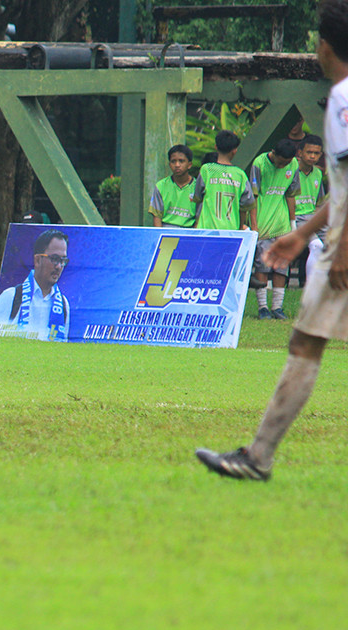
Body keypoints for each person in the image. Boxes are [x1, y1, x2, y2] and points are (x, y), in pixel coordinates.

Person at [196, 0, 348, 481]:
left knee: (306, 343)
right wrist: (303, 233)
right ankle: (257, 456)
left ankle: (258, 457)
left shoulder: (344, 99)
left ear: (324, 46)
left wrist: (342, 248)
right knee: (307, 339)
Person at [249, 139, 301, 319]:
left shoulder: (293, 164)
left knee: (281, 266)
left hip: (282, 224)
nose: (282, 166)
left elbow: (291, 194)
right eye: (280, 162)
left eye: (286, 163)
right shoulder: (259, 164)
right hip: (263, 223)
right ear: (273, 153)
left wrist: (293, 224)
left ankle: (277, 307)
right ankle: (262, 307)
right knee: (262, 266)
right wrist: (254, 226)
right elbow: (253, 197)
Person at [0, 229, 70, 341]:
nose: (59, 266)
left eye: (63, 260)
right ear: (37, 260)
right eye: (54, 259)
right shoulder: (10, 297)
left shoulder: (63, 304)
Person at [192, 130, 256, 231]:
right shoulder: (240, 175)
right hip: (230, 230)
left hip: (207, 229)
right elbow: (245, 204)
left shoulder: (207, 169)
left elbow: (197, 197)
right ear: (234, 150)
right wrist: (240, 227)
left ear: (216, 147)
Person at [294, 134, 328, 279]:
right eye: (309, 152)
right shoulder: (290, 170)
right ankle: (310, 287)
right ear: (300, 152)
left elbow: (319, 202)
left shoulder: (318, 173)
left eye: (316, 153)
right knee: (316, 245)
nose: (313, 156)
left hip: (313, 217)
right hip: (296, 218)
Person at [149, 145, 197, 228]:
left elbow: (199, 218)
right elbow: (157, 218)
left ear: (189, 165)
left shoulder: (198, 187)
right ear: (169, 164)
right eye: (173, 161)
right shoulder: (161, 186)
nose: (177, 165)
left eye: (181, 161)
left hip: (189, 231)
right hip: (166, 231)